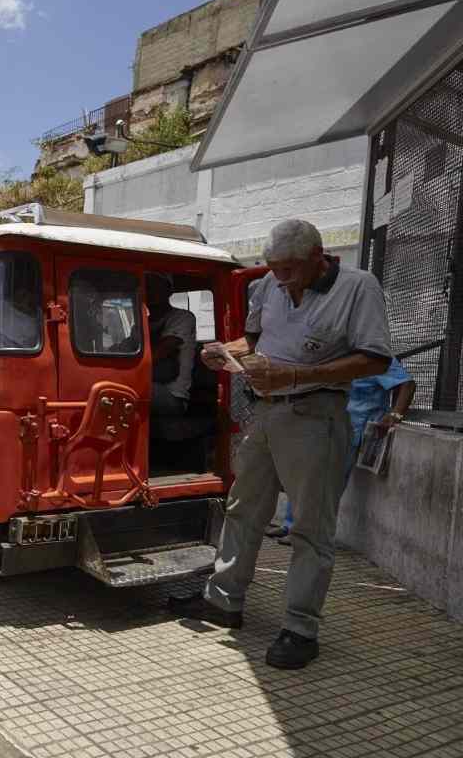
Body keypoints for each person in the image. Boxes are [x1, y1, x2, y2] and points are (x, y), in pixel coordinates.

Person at [168, 219, 392, 670]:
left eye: (289, 269)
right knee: (243, 507)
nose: (280, 278)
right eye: (273, 268)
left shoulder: (358, 287)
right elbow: (253, 340)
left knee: (310, 526)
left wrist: (298, 375)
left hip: (316, 413)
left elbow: (374, 359)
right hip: (265, 411)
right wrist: (224, 351)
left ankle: (300, 628)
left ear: (318, 257)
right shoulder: (269, 284)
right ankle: (223, 600)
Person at [267, 359, 415, 543]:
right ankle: (290, 525)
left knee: (327, 485)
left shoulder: (376, 356)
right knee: (304, 476)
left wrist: (395, 414)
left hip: (351, 429)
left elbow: (407, 384)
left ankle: (309, 533)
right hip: (323, 423)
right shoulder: (338, 353)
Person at [146, 272, 197, 417]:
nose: (151, 291)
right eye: (147, 286)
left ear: (169, 290)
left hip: (172, 395)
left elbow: (161, 351)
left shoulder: (183, 317)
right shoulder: (143, 322)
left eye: (156, 286)